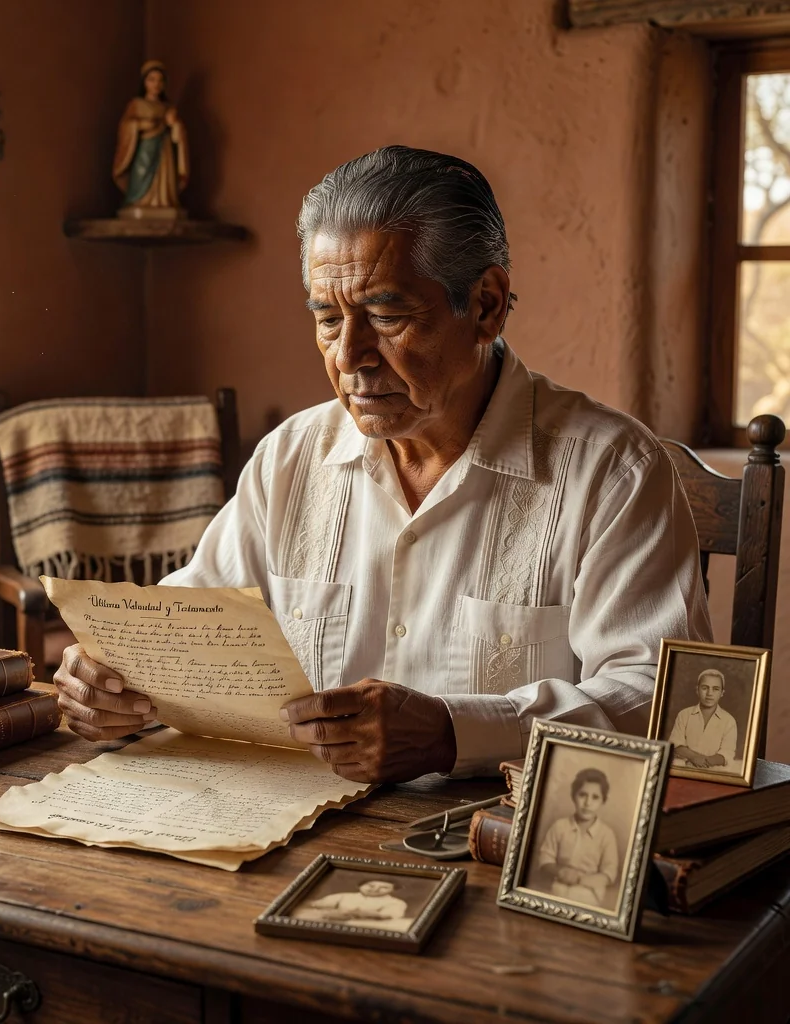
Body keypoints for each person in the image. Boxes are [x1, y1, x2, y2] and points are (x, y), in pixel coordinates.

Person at [54, 145, 711, 781]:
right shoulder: (291, 460)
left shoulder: (611, 473)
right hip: (294, 824)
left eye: (387, 315)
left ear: (485, 305)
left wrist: (455, 733)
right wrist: (113, 676)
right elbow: (191, 624)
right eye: (328, 320)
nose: (349, 356)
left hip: (491, 837)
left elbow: (661, 699)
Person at [112, 60, 189, 217]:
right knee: (141, 176)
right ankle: (140, 200)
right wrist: (140, 125)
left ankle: (164, 200)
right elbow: (125, 126)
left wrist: (175, 125)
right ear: (144, 82)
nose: (156, 84)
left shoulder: (168, 107)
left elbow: (177, 136)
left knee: (165, 178)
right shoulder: (136, 104)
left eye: (160, 80)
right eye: (152, 80)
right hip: (144, 150)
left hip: (164, 150)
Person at [536, 767, 619, 907]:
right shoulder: (559, 827)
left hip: (589, 894)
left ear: (603, 801)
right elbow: (545, 859)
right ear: (573, 796)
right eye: (582, 795)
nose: (587, 803)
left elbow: (609, 873)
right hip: (557, 890)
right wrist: (560, 872)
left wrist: (582, 880)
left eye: (595, 797)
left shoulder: (607, 835)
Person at [668, 669, 737, 771]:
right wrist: (694, 757)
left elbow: (727, 753)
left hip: (714, 772)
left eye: (716, 689)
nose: (709, 693)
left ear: (722, 693)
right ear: (697, 690)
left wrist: (705, 761)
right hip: (684, 770)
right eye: (705, 688)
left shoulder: (729, 721)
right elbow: (675, 744)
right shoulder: (684, 715)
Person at [293, 879, 412, 930]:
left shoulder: (396, 902)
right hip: (336, 923)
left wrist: (359, 913)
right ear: (359, 886)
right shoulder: (344, 896)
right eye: (370, 885)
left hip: (368, 927)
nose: (375, 889)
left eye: (384, 887)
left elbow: (389, 915)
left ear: (393, 890)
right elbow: (317, 905)